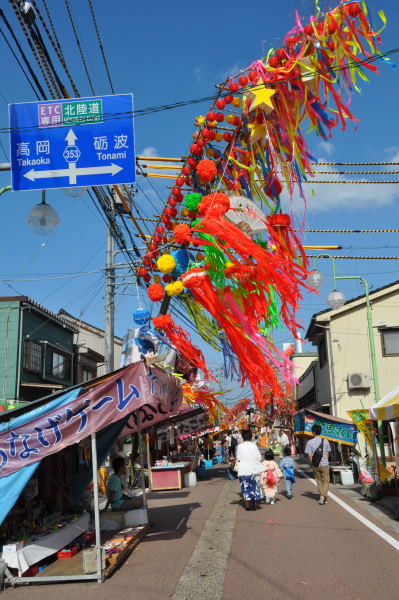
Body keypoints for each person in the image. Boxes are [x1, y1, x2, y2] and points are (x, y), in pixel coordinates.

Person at [236, 429, 264, 510]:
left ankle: (248, 504)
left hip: (243, 470)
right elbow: (259, 457)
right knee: (254, 486)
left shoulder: (240, 446)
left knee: (245, 486)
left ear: (242, 437)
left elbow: (238, 458)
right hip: (253, 469)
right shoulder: (254, 446)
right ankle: (255, 503)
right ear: (251, 437)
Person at [305, 424, 331, 505]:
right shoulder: (326, 441)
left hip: (316, 465)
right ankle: (323, 496)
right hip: (324, 464)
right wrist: (325, 460)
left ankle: (322, 496)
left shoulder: (309, 442)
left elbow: (309, 455)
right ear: (320, 431)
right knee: (326, 481)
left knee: (319, 481)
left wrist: (312, 463)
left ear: (313, 432)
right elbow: (327, 453)